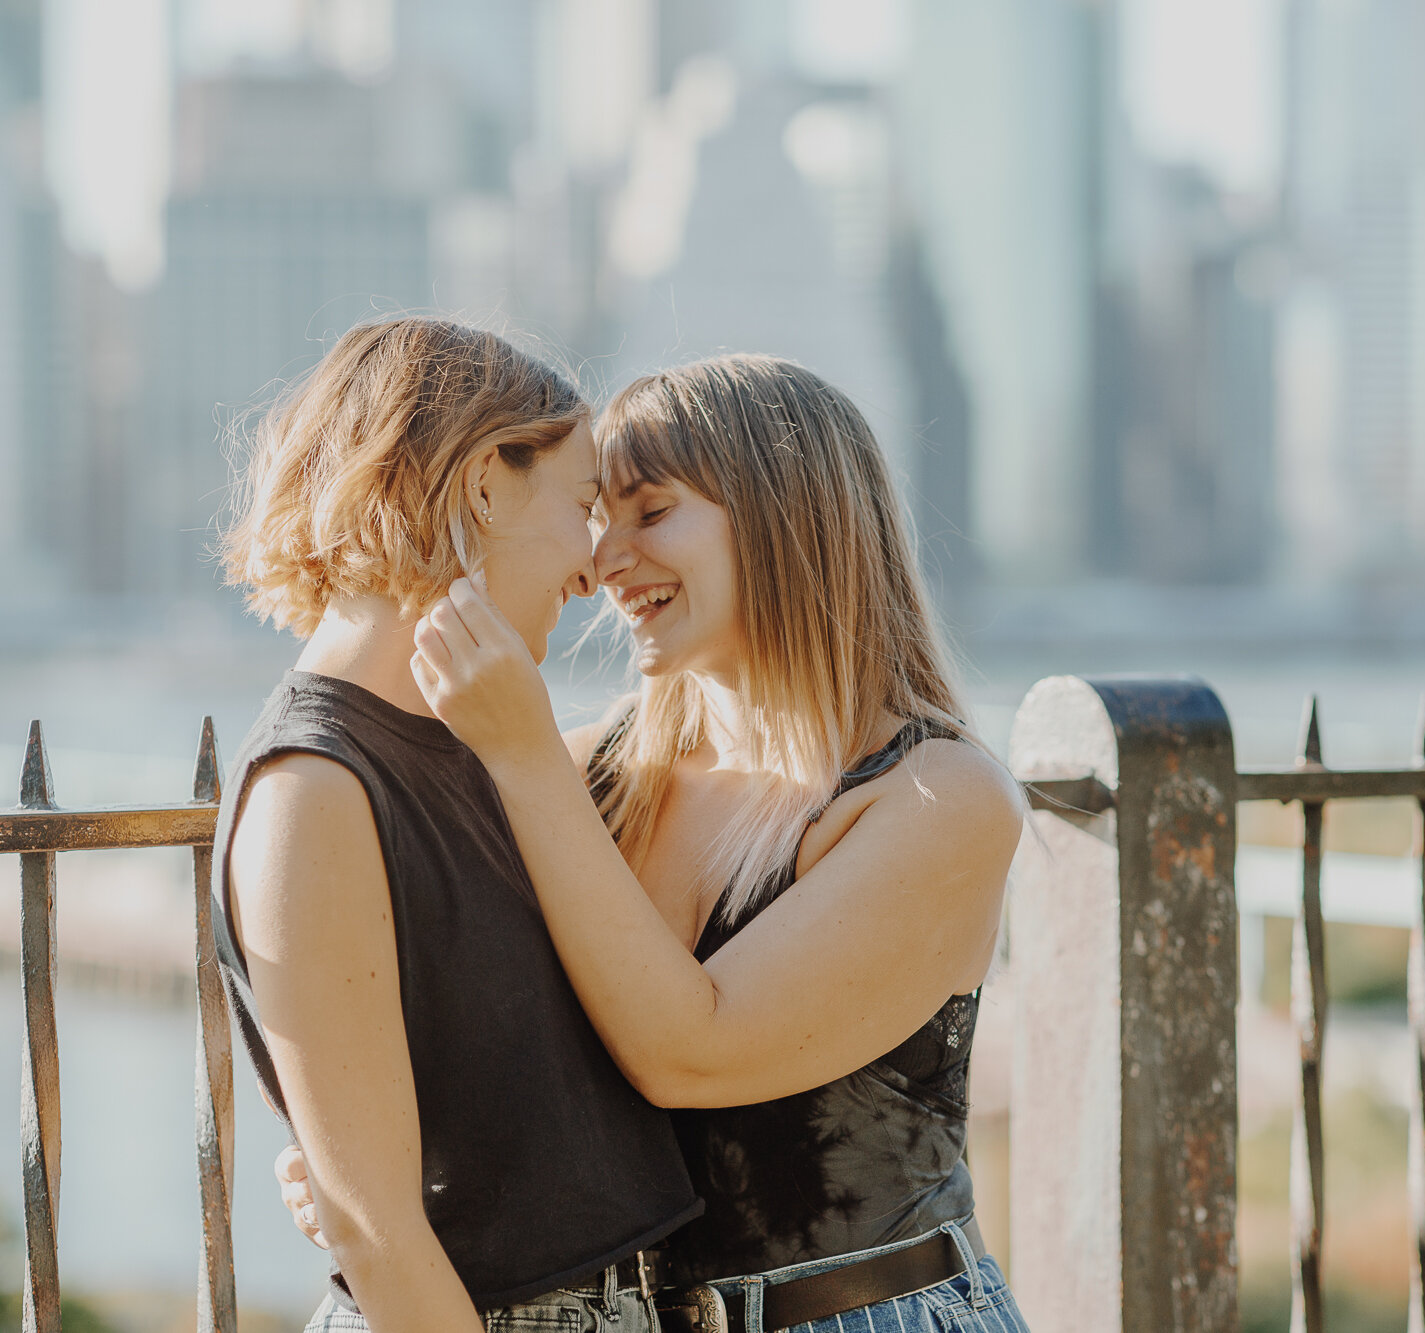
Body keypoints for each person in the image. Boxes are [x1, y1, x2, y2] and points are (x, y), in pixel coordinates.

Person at [281, 354, 1032, 1333]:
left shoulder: (937, 796)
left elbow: (690, 1051)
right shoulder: (578, 774)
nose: (601, 563)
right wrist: (367, 1167)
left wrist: (518, 752)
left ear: (784, 515)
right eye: (596, 516)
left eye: (649, 511)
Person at [214, 316, 700, 1333]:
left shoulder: (480, 747)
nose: (594, 565)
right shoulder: (316, 789)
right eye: (581, 505)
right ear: (484, 483)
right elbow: (378, 1232)